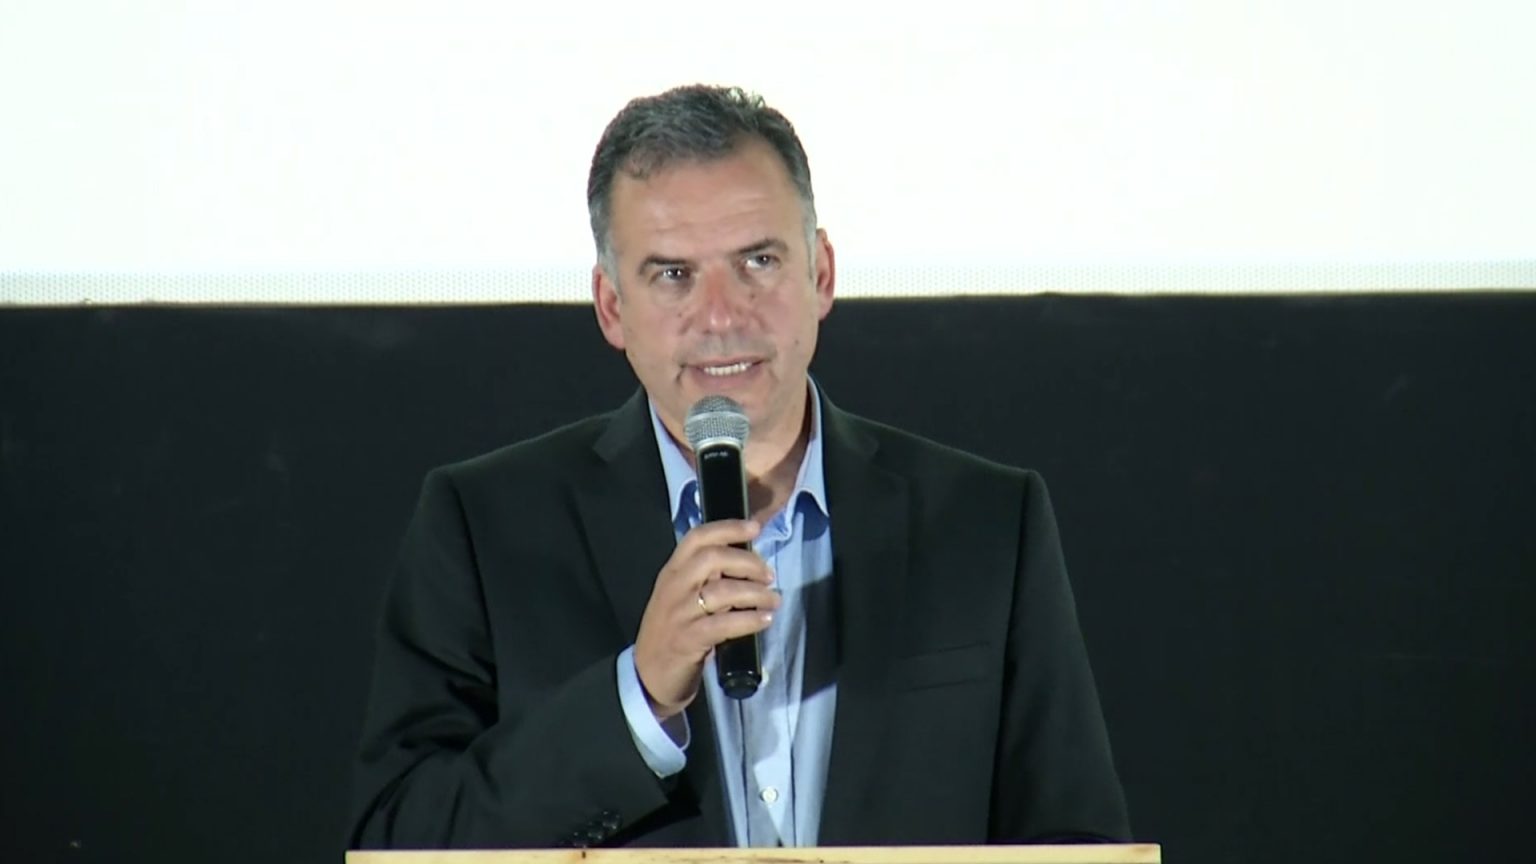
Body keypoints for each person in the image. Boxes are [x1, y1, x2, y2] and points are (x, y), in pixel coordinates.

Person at [348, 84, 1130, 849]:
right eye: (673, 275)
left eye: (758, 260)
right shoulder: (484, 525)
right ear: (612, 307)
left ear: (821, 273)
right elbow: (400, 840)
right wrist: (638, 696)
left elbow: (1076, 838)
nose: (722, 316)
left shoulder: (987, 522)